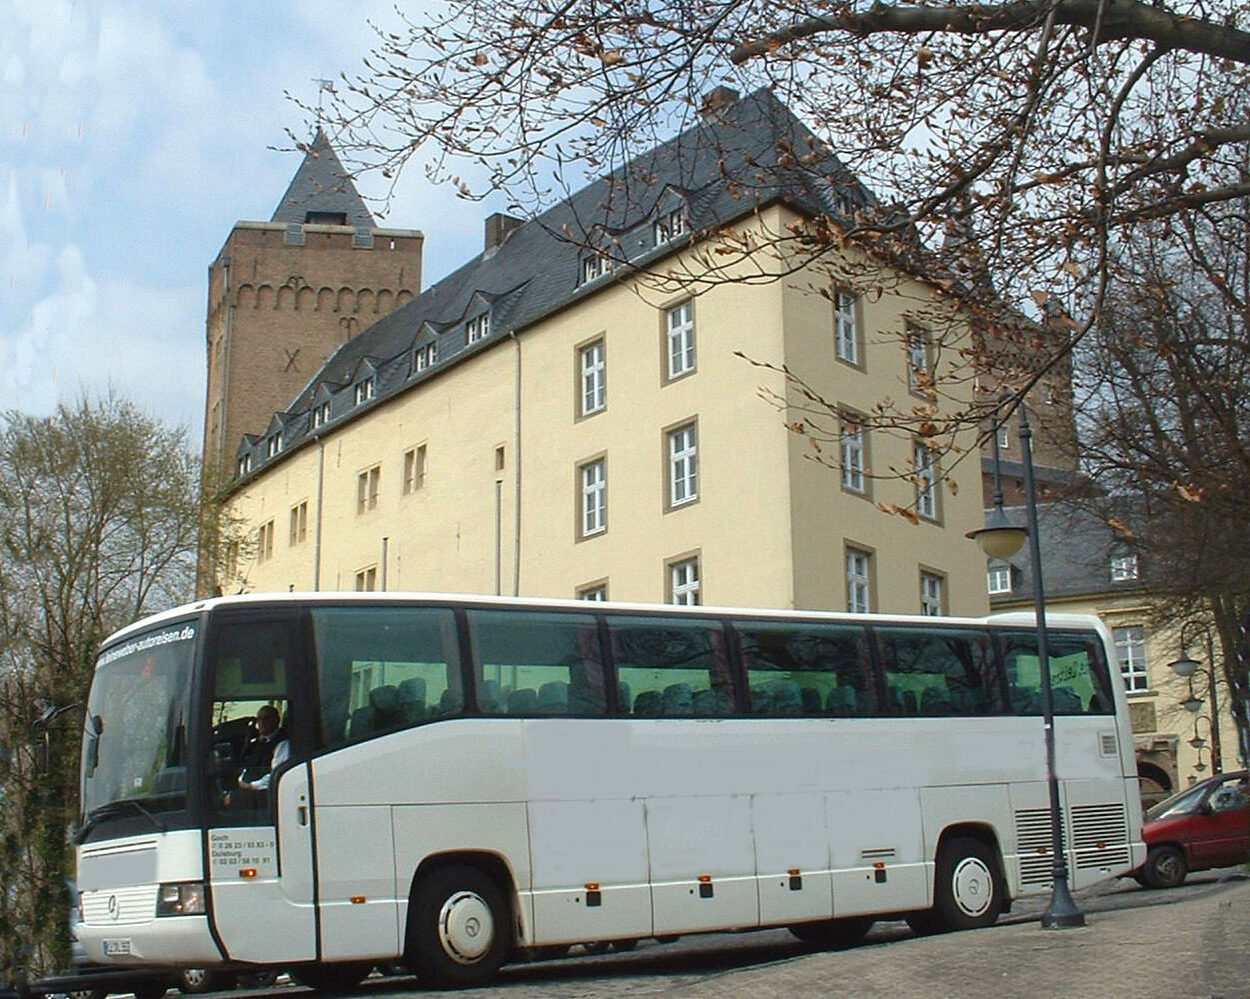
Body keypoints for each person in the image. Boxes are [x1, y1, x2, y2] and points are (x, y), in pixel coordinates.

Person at [236, 704, 289, 792]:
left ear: (277, 720)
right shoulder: (254, 743)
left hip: (265, 794)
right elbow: (246, 768)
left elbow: (278, 773)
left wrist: (251, 786)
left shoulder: (282, 743)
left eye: (266, 718)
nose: (262, 722)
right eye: (259, 719)